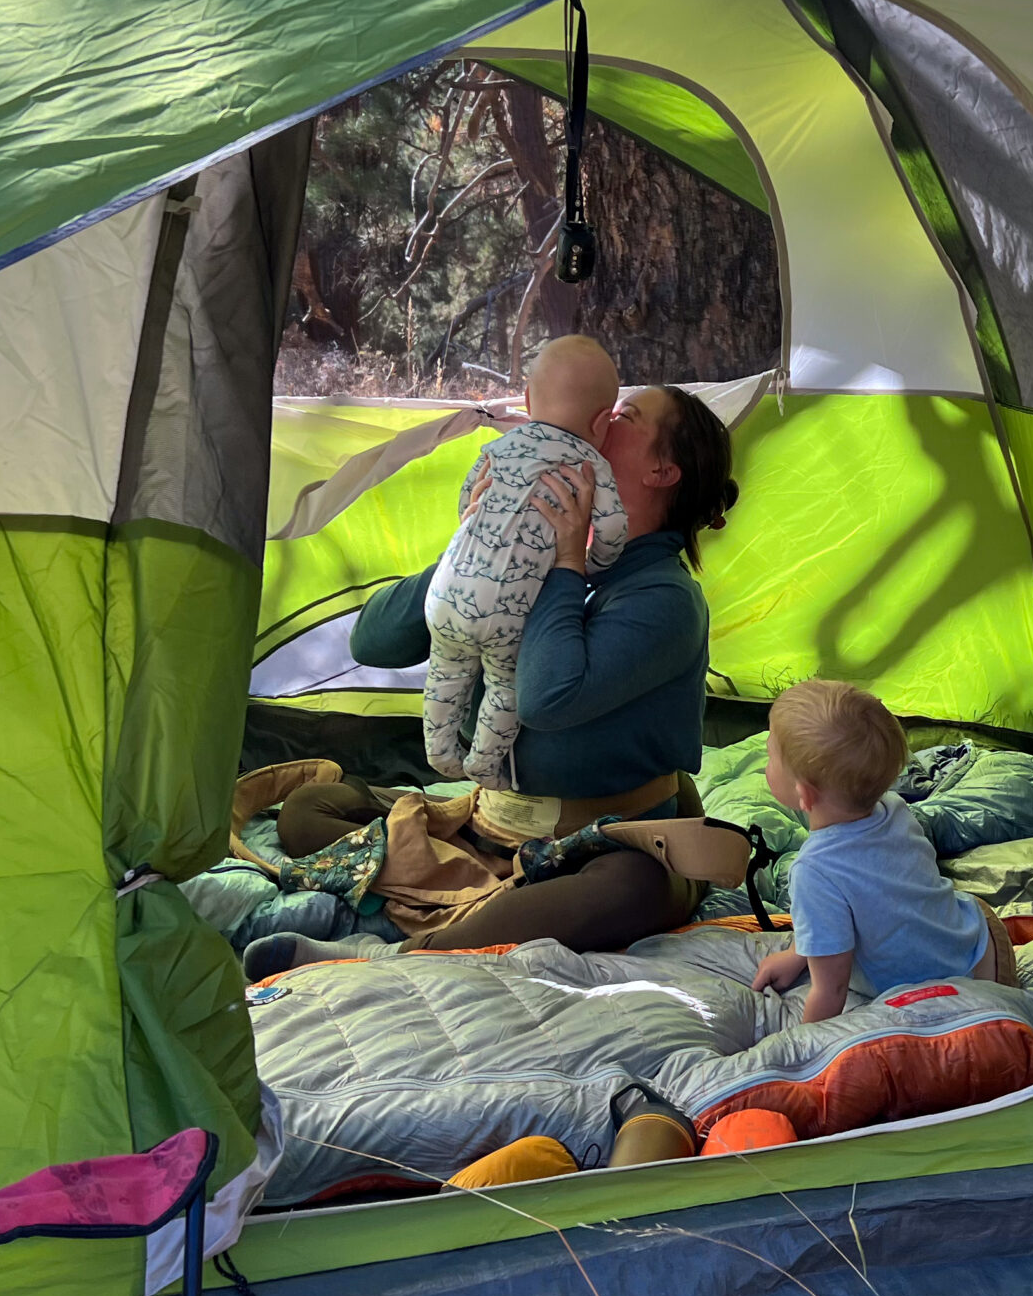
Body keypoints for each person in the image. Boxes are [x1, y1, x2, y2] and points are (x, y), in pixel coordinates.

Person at [252, 381, 742, 964]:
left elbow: (546, 699)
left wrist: (565, 566)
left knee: (633, 889)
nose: (599, 418)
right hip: (488, 825)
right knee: (310, 810)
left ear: (663, 469)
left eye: (626, 415)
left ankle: (398, 954)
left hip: (600, 844)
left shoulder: (664, 597)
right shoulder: (517, 559)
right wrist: (474, 543)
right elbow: (374, 640)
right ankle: (481, 900)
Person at [422, 336, 629, 788]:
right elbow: (613, 530)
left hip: (446, 592)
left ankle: (439, 752)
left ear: (530, 400)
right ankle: (482, 762)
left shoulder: (500, 447)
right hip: (506, 615)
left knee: (447, 667)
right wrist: (591, 565)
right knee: (504, 686)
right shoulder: (590, 464)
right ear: (602, 422)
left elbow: (466, 505)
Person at [750, 680, 1015, 1022]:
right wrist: (799, 954)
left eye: (770, 755)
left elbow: (830, 991)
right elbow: (870, 901)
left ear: (804, 795)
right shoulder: (893, 807)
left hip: (957, 999)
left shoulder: (813, 871)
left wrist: (798, 1049)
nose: (764, 764)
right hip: (984, 943)